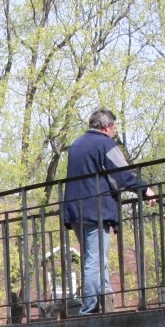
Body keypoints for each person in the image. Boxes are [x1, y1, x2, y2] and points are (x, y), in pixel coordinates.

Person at [60, 108, 157, 315]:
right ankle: (90, 309)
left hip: (75, 210)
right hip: (95, 210)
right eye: (114, 128)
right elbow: (123, 175)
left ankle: (106, 301)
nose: (114, 132)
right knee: (95, 259)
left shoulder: (76, 145)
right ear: (106, 127)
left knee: (94, 257)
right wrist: (144, 190)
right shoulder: (105, 143)